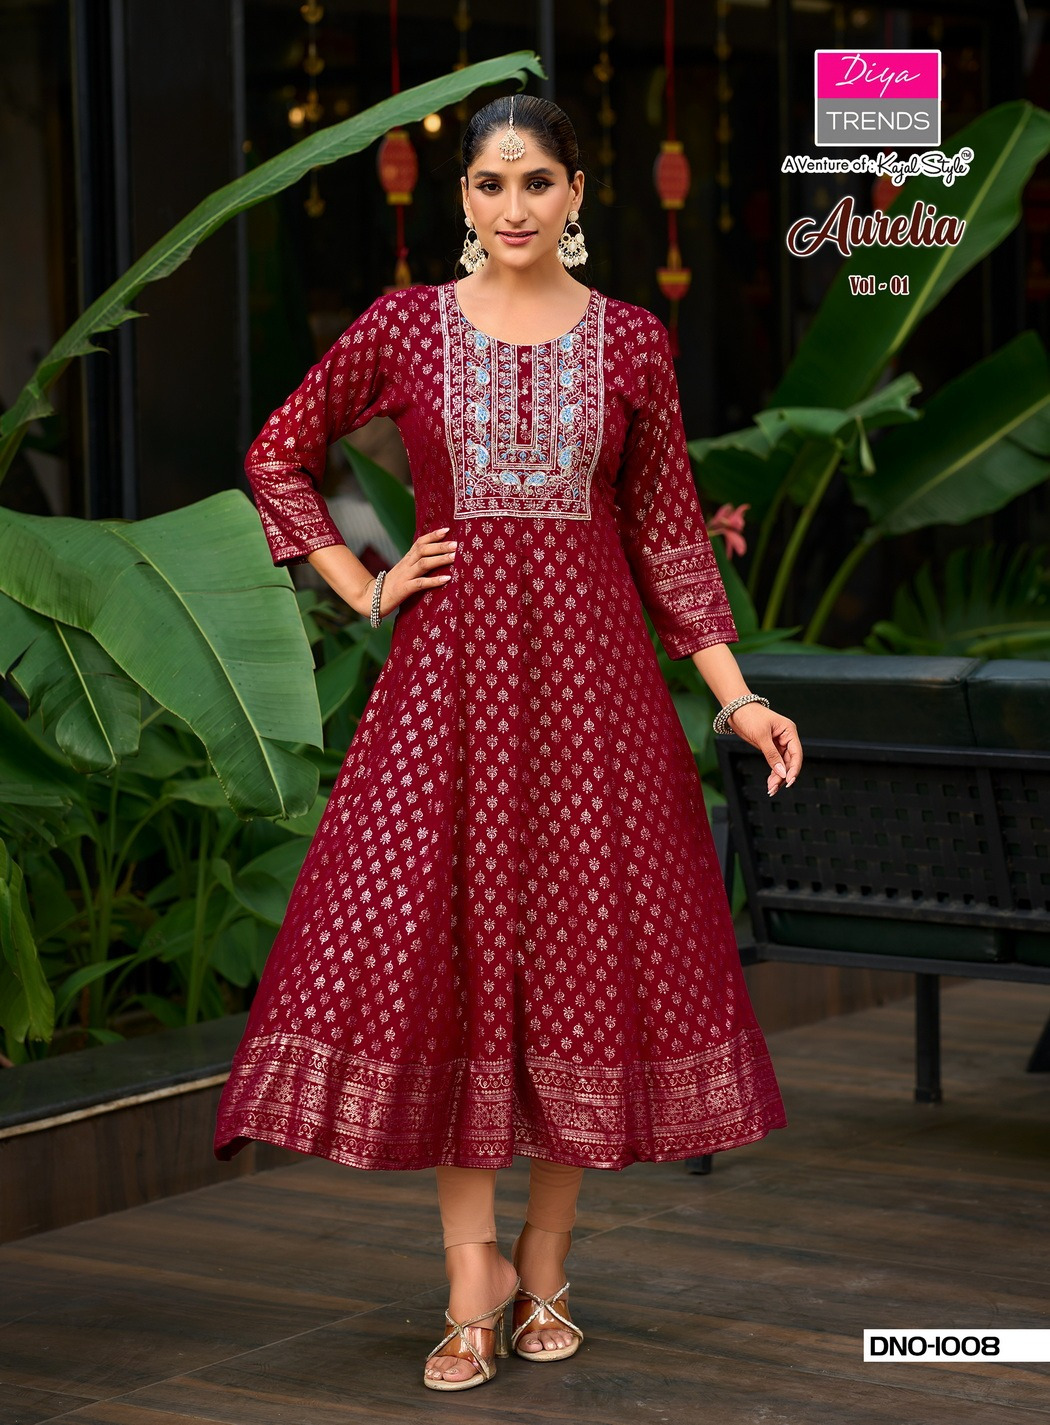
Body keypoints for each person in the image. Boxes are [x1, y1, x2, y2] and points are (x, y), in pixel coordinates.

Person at [214, 92, 801, 1394]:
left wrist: (735, 696)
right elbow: (277, 454)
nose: (514, 206)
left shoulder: (633, 343)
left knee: (579, 957)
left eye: (538, 182)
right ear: (462, 198)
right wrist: (362, 584)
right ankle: (470, 1269)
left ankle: (547, 1253)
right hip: (448, 701)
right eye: (490, 184)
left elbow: (666, 535)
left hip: (596, 705)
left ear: (579, 192)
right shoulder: (403, 328)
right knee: (454, 961)